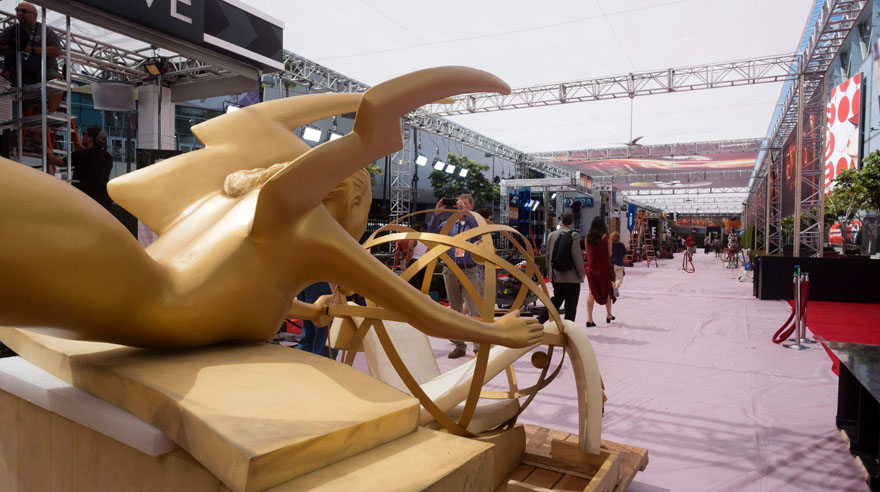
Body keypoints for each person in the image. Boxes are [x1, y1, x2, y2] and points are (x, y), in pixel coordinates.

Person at [0, 66, 544, 352]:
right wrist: (499, 333)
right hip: (132, 299)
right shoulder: (309, 224)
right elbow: (422, 312)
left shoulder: (223, 194)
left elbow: (224, 283)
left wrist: (308, 312)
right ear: (354, 196)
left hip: (120, 286)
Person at [428, 193, 482, 359]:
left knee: (474, 310)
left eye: (465, 204)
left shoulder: (475, 223)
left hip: (469, 270)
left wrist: (466, 214)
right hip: (450, 270)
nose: (460, 206)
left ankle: (479, 347)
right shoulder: (450, 224)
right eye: (459, 203)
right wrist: (437, 213)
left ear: (471, 207)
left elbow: (479, 235)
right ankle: (459, 346)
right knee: (455, 310)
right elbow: (432, 231)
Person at [0, 2, 63, 109]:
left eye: (23, 11)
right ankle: (31, 122)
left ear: (34, 15)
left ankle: (52, 113)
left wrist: (31, 50)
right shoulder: (11, 30)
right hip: (20, 74)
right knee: (29, 107)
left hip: (43, 71)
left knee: (56, 81)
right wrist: (10, 48)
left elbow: (56, 51)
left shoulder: (46, 31)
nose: (19, 13)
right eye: (17, 10)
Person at [538, 211, 584, 323]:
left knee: (556, 299)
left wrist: (550, 273)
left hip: (556, 275)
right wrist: (581, 273)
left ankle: (540, 320)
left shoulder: (551, 235)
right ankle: (568, 329)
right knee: (571, 306)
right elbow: (576, 255)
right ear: (572, 222)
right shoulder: (574, 235)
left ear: (561, 221)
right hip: (571, 277)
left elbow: (548, 255)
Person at [71, 127, 113, 210]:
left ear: (90, 139)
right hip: (103, 203)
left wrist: (48, 153)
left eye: (84, 134)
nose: (82, 136)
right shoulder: (108, 158)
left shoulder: (81, 155)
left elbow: (60, 162)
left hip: (84, 202)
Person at [584, 217, 616, 327]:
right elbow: (610, 254)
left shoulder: (588, 237)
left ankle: (589, 319)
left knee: (591, 293)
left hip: (592, 268)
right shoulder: (607, 237)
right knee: (606, 291)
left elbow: (587, 254)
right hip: (604, 269)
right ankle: (608, 314)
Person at [296, 282, 337, 359]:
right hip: (322, 281)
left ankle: (306, 366)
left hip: (305, 280)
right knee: (325, 340)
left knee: (309, 333)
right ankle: (323, 368)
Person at [609, 231, 626, 298]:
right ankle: (616, 286)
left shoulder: (610, 245)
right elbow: (625, 257)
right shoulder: (621, 245)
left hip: (610, 264)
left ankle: (613, 286)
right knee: (619, 279)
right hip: (619, 264)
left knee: (611, 278)